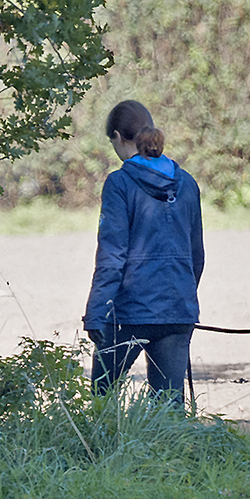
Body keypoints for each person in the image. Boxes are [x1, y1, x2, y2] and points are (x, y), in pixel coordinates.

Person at [83, 100, 205, 403]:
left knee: (102, 399)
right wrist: (183, 300)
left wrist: (96, 313)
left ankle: (97, 451)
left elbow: (111, 256)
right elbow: (197, 255)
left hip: (128, 312)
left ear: (117, 137)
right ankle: (176, 451)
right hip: (177, 310)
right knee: (169, 410)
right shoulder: (186, 183)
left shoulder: (119, 183)